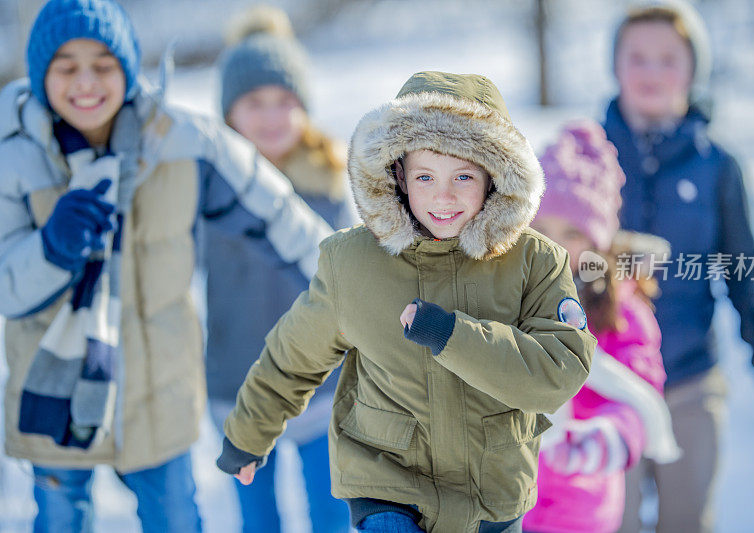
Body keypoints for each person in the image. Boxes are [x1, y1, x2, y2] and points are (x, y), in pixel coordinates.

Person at [215, 71, 597, 533]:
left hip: (492, 494)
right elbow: (293, 358)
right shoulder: (353, 262)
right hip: (388, 485)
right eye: (425, 176)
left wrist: (452, 336)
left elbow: (558, 371)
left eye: (462, 175)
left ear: (494, 178)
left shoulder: (535, 262)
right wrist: (248, 434)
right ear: (397, 175)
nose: (443, 196)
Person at [0, 0, 333, 531]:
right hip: (55, 399)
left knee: (176, 518)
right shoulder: (12, 156)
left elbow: (281, 219)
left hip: (160, 399)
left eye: (103, 64)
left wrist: (363, 294)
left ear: (128, 69)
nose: (86, 82)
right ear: (41, 74)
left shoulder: (183, 143)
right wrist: (51, 250)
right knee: (61, 519)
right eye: (66, 65)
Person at [602, 2, 754, 532]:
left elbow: (740, 262)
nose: (651, 71)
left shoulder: (716, 165)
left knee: (686, 520)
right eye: (636, 57)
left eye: (669, 58)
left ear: (693, 68)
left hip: (689, 376)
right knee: (605, 520)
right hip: (601, 377)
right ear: (615, 65)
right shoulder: (587, 155)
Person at [204, 6, 356, 532]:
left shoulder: (327, 184)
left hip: (321, 388)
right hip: (237, 388)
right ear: (228, 113)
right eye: (254, 102)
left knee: (331, 512)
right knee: (258, 518)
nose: (272, 116)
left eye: (285, 102)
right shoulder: (209, 191)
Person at [522, 121, 679, 533]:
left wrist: (610, 436)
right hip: (506, 495)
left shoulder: (618, 308)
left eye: (571, 232)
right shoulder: (509, 293)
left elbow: (640, 382)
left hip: (579, 499)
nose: (553, 245)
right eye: (540, 230)